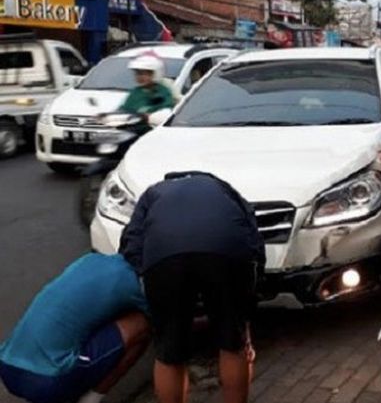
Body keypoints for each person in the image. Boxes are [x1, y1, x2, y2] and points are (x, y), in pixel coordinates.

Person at [119, 171, 265, 403]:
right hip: (225, 251)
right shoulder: (224, 188)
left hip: (164, 259)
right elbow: (252, 236)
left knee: (169, 353)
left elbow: (132, 243)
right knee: (233, 343)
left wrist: (149, 280)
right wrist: (249, 294)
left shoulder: (153, 193)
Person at [0, 254, 150, 403]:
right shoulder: (131, 282)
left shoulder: (89, 259)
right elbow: (165, 320)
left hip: (7, 365)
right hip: (49, 379)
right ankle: (90, 400)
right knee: (144, 325)